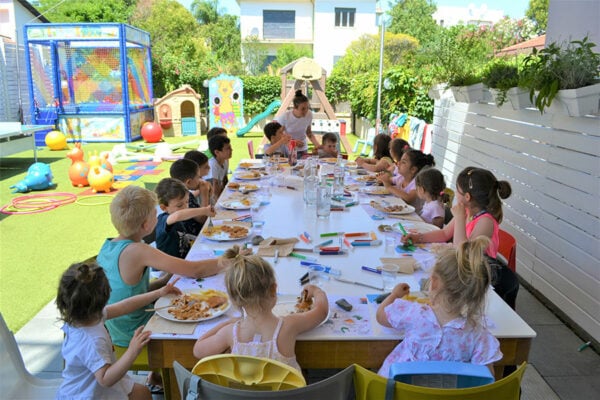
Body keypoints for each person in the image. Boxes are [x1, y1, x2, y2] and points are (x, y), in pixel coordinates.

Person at [96, 185, 226, 350]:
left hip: (117, 329)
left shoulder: (108, 246)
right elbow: (196, 270)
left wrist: (163, 281)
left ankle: (158, 376)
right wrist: (227, 260)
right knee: (210, 320)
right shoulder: (138, 250)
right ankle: (169, 372)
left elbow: (130, 292)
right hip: (136, 333)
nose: (158, 216)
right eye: (154, 213)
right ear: (146, 225)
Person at [376, 238, 502, 377]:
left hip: (395, 392)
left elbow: (381, 316)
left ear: (434, 283)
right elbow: (486, 379)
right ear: (476, 294)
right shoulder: (478, 336)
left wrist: (394, 295)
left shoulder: (414, 313)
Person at [55, 261, 181, 400]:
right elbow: (105, 379)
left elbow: (124, 306)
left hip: (92, 384)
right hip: (89, 394)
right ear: (105, 294)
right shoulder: (92, 340)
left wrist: (158, 293)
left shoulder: (84, 317)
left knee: (143, 394)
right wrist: (132, 351)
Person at [192, 246, 329, 371]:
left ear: (233, 299)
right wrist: (317, 291)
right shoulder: (289, 325)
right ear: (274, 290)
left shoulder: (229, 333)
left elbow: (198, 350)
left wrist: (226, 323)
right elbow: (321, 311)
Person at [402, 166, 519, 308]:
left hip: (478, 276)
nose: (455, 194)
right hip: (464, 272)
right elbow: (445, 234)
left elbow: (463, 254)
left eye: (457, 190)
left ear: (467, 197)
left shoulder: (485, 221)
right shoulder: (467, 211)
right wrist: (418, 237)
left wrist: (459, 218)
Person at [155, 178, 216, 259]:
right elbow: (177, 215)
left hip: (186, 259)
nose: (185, 207)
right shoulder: (164, 220)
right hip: (168, 269)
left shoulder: (180, 218)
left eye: (187, 202)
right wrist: (204, 210)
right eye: (179, 205)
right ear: (163, 207)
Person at [378, 149, 435, 214]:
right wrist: (383, 178)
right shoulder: (401, 177)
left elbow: (408, 198)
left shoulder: (417, 183)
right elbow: (389, 180)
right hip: (400, 212)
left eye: (403, 162)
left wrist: (389, 187)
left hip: (414, 217)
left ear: (413, 169)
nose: (398, 163)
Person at [169, 158, 212, 236]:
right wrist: (204, 193)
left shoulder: (177, 191)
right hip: (193, 240)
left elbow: (192, 196)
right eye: (199, 177)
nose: (200, 180)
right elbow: (203, 219)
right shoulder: (181, 199)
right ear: (188, 182)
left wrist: (200, 190)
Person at [275, 90, 320, 158]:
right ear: (295, 108)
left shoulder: (309, 114)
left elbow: (309, 133)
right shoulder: (285, 117)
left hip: (303, 149)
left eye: (307, 107)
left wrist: (318, 146)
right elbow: (278, 134)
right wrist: (293, 142)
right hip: (289, 150)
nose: (306, 111)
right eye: (303, 109)